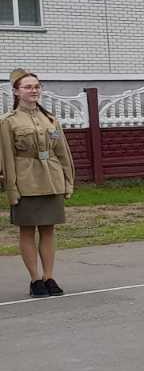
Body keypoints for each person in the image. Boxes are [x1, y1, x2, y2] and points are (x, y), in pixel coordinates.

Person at [1, 69, 75, 297]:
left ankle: (49, 277)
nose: (33, 90)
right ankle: (35, 280)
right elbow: (6, 158)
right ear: (16, 92)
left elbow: (63, 152)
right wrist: (12, 189)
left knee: (48, 229)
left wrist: (67, 180)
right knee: (27, 231)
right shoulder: (8, 122)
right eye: (27, 87)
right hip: (26, 181)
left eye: (36, 86)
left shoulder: (50, 119)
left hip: (51, 179)